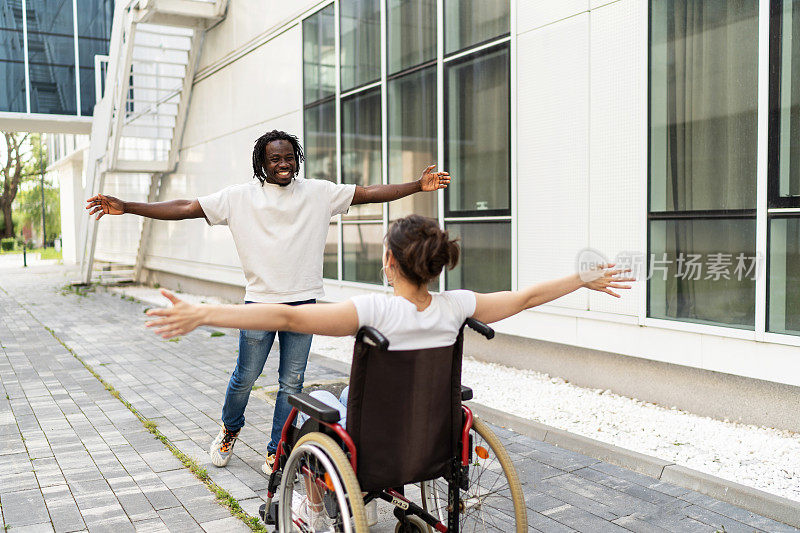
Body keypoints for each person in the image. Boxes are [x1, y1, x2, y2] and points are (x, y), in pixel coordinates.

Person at [85, 130, 451, 473]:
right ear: (262, 163)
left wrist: (417, 186)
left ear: (297, 159)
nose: (284, 164)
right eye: (275, 159)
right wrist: (129, 207)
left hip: (305, 304)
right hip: (259, 305)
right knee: (244, 378)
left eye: (290, 157)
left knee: (292, 382)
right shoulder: (238, 197)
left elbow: (370, 192)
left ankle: (278, 449)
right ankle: (230, 429)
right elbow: (184, 207)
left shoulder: (319, 192)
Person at [144, 214, 634, 427]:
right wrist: (582, 279)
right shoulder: (458, 306)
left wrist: (204, 312)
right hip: (431, 426)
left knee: (309, 416)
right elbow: (525, 298)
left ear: (391, 263)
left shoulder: (372, 311)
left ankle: (315, 505)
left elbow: (284, 319)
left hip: (370, 427)